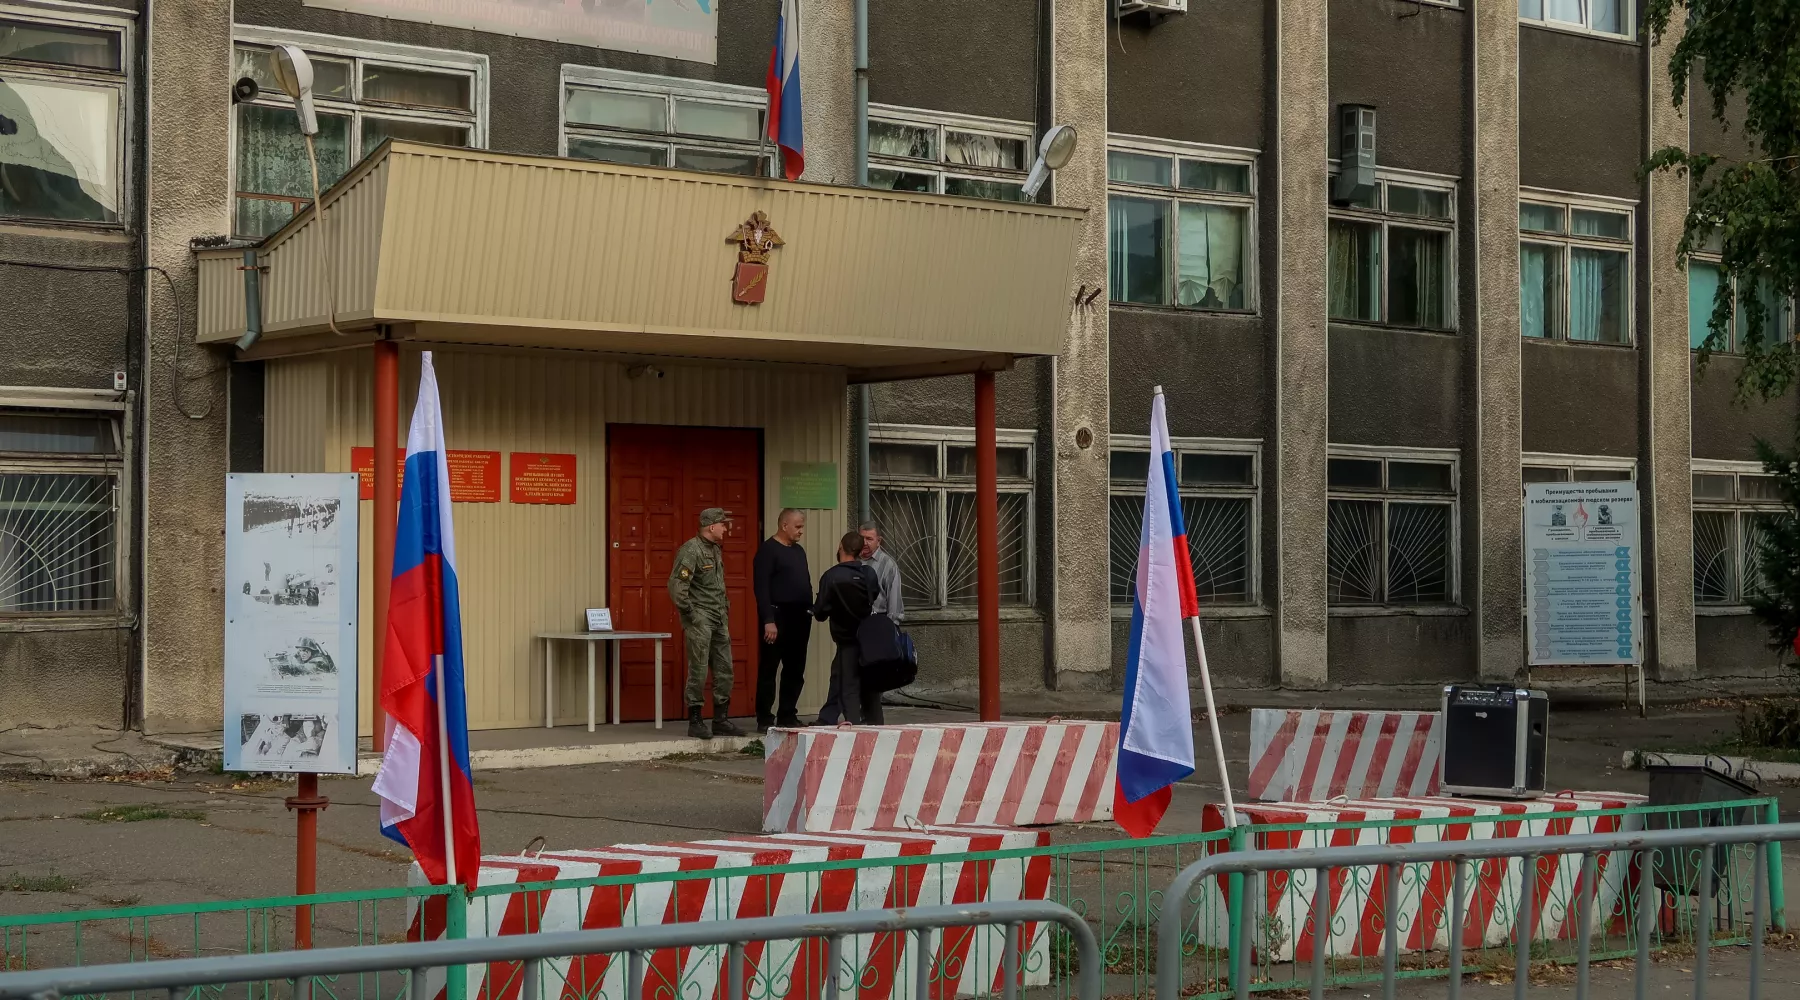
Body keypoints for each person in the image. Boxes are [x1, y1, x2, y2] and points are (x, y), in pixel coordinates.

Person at [667, 507, 744, 740]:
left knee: (725, 669)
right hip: (701, 618)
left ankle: (721, 719)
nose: (726, 528)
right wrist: (691, 613)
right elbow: (677, 586)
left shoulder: (715, 549)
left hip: (719, 617)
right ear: (712, 526)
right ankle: (696, 720)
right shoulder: (691, 550)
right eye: (723, 524)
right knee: (698, 669)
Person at [813, 530, 883, 726]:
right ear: (861, 551)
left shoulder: (831, 576)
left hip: (846, 640)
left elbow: (820, 612)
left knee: (848, 686)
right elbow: (874, 596)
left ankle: (853, 726)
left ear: (840, 547)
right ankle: (876, 725)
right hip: (868, 639)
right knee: (869, 686)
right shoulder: (868, 573)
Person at [753, 508, 812, 732]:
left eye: (802, 527)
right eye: (797, 527)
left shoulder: (798, 551)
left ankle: (787, 714)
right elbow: (762, 588)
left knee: (795, 670)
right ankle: (765, 718)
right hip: (777, 618)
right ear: (784, 525)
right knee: (769, 669)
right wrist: (768, 619)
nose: (801, 531)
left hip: (800, 618)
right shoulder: (768, 550)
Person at [859, 521, 904, 622]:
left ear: (879, 541)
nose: (864, 543)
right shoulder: (853, 560)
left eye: (869, 539)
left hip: (877, 623)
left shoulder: (888, 565)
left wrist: (890, 628)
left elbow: (894, 605)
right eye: (862, 538)